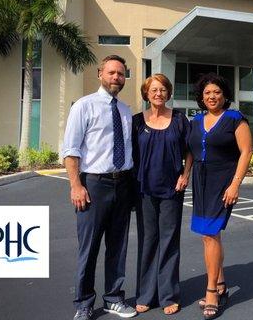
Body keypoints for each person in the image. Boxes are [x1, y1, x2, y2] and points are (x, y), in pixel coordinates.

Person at [62, 55, 137, 320]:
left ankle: (114, 298)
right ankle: (83, 303)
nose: (116, 77)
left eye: (121, 73)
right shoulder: (84, 106)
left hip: (123, 183)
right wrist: (76, 186)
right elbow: (70, 151)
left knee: (118, 246)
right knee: (89, 248)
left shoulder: (126, 111)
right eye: (111, 72)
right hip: (94, 184)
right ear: (99, 74)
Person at [188, 73, 253, 320]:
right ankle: (222, 283)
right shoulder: (195, 122)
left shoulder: (235, 119)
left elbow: (246, 152)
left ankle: (212, 291)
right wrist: (185, 174)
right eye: (207, 93)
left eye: (216, 92)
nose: (212, 96)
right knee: (209, 236)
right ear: (201, 98)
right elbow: (191, 153)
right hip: (200, 182)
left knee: (209, 235)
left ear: (224, 95)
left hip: (222, 181)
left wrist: (235, 184)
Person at [132, 74, 193, 316]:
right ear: (146, 94)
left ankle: (169, 294)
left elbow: (189, 151)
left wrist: (185, 174)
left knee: (169, 241)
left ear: (168, 93)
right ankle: (146, 294)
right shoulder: (137, 121)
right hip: (144, 189)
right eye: (153, 90)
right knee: (148, 241)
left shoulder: (179, 120)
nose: (158, 93)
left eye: (163, 90)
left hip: (172, 189)